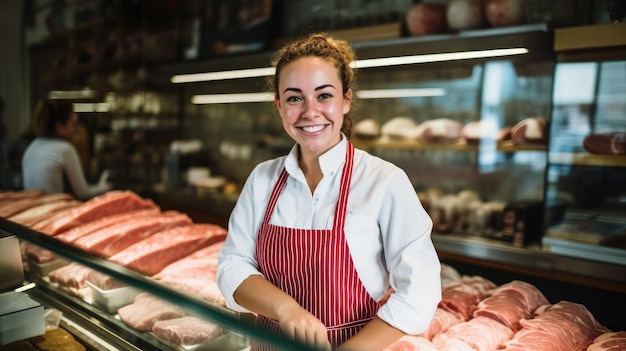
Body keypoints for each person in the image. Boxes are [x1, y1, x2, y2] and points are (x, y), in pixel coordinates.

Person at [217, 33, 441, 351]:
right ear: (279, 106)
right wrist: (287, 310)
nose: (310, 112)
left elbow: (419, 292)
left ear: (346, 100)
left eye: (324, 96)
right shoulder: (262, 179)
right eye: (295, 98)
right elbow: (233, 265)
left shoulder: (384, 181)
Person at [21, 98, 111, 200]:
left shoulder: (32, 147)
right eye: (73, 124)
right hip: (55, 211)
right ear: (59, 126)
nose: (76, 130)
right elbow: (83, 193)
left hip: (32, 210)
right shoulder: (64, 149)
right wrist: (103, 186)